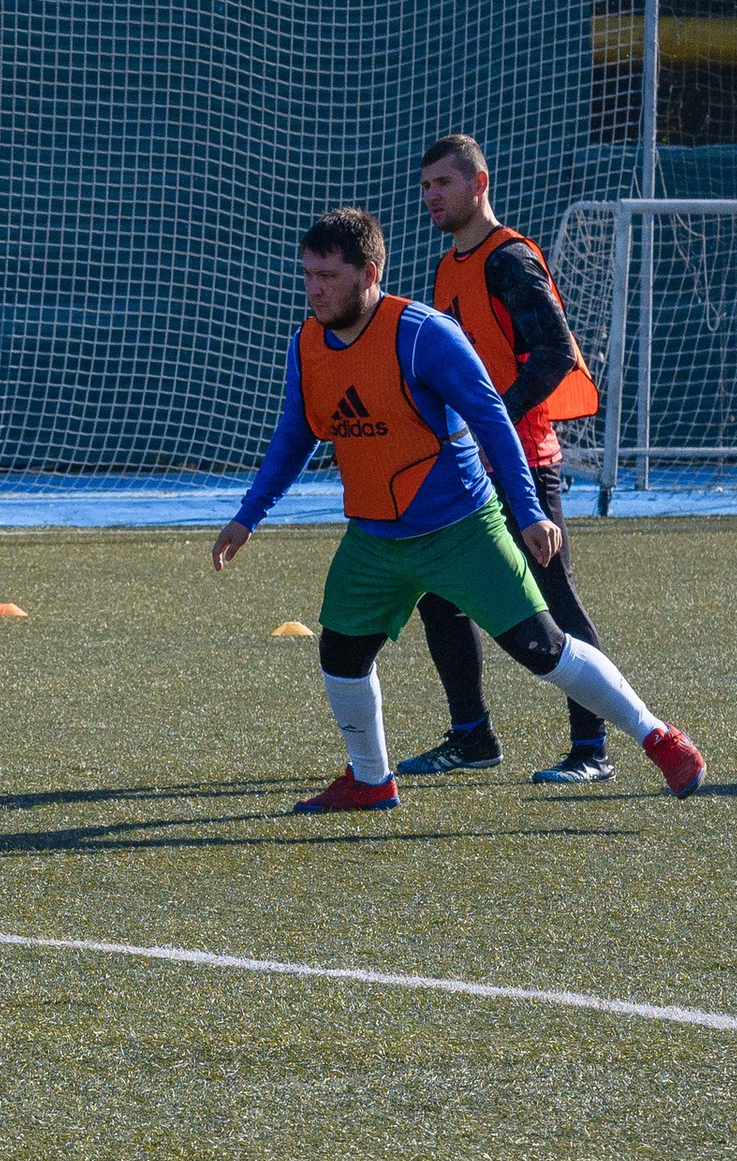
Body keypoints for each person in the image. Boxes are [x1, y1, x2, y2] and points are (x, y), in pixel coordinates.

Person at [211, 207, 703, 812]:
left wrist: (528, 511)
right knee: (340, 652)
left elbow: (494, 421)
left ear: (369, 274)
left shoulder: (423, 334)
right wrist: (248, 515)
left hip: (462, 528)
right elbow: (295, 436)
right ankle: (371, 779)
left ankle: (658, 736)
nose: (314, 288)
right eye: (308, 274)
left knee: (541, 649)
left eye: (328, 276)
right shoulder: (307, 342)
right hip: (374, 539)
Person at [397, 134, 615, 784]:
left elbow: (554, 355)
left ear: (479, 185)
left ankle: (592, 749)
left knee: (553, 604)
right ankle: (472, 738)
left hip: (523, 463)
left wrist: (495, 423)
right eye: (426, 185)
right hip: (470, 468)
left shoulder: (508, 259)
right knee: (438, 597)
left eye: (443, 183)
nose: (431, 195)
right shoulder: (447, 266)